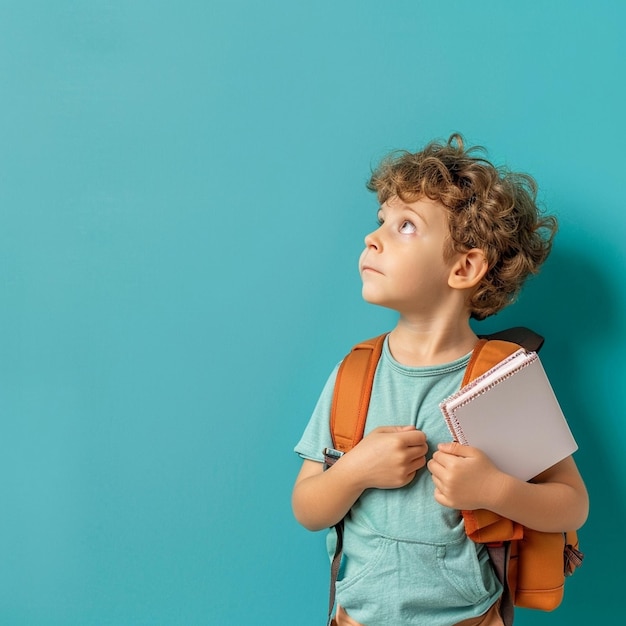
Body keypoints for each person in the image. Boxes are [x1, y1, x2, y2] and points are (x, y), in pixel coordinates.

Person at [291, 134, 589, 626]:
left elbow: (571, 506)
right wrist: (355, 470)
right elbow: (308, 508)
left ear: (465, 266)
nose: (374, 236)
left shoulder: (502, 380)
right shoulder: (355, 373)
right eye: (381, 220)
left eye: (406, 225)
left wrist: (494, 490)